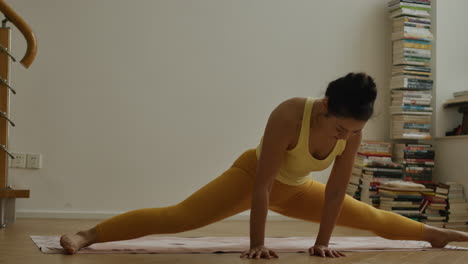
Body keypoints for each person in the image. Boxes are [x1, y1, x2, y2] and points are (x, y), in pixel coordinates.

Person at [60, 72, 468, 259]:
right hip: (251, 177)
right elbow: (263, 185)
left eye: (354, 131)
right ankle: (88, 233)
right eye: (341, 128)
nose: (346, 137)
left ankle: (434, 234)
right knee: (180, 217)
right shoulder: (290, 114)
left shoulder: (352, 132)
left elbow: (338, 193)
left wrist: (322, 243)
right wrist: (256, 243)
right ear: (326, 107)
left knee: (369, 216)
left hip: (298, 187)